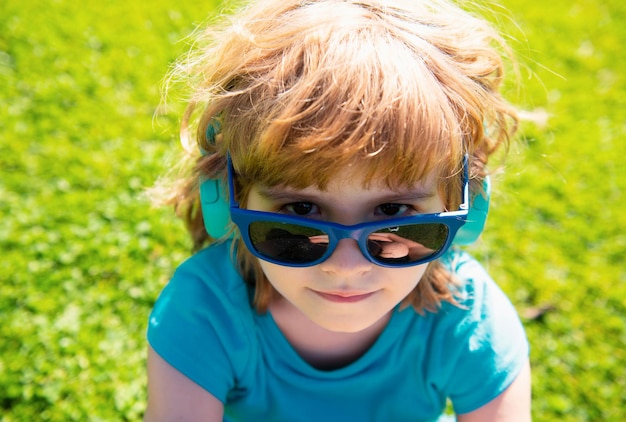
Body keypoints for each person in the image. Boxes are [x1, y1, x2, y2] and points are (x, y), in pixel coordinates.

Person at [144, 0, 531, 420]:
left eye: (394, 210)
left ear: (466, 209)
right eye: (301, 208)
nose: (345, 267)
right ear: (226, 198)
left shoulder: (468, 320)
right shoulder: (206, 311)